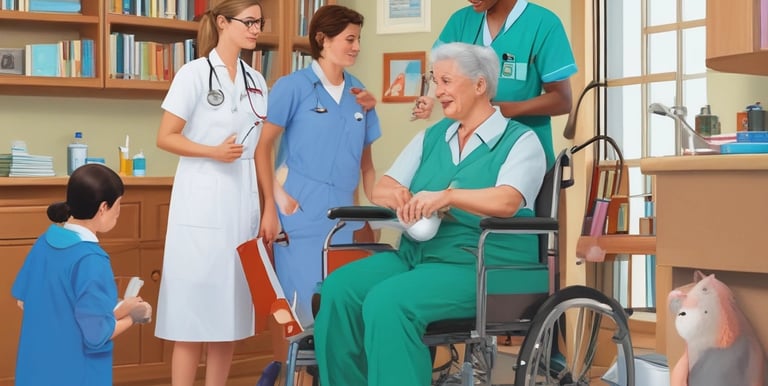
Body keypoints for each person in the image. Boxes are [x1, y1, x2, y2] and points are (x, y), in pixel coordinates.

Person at [313, 42, 547, 386]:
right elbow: (381, 189)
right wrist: (402, 196)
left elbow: (507, 201)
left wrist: (447, 196)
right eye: (436, 82)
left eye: (446, 82)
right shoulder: (432, 136)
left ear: (480, 85)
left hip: (480, 265)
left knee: (389, 301)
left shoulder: (521, 141)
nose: (438, 92)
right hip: (417, 257)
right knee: (339, 290)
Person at [153, 1, 268, 385]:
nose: (256, 29)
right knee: (191, 315)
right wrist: (212, 152)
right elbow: (165, 137)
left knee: (229, 315)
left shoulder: (256, 80)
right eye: (249, 22)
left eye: (259, 23)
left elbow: (259, 149)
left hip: (241, 205)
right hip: (200, 204)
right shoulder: (193, 74)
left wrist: (269, 206)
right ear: (222, 23)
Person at [255, 4, 381, 327]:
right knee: (297, 319)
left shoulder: (360, 96)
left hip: (344, 225)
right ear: (323, 39)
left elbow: (367, 167)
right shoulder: (292, 87)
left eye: (358, 40)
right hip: (297, 222)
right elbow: (262, 147)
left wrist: (378, 210)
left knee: (340, 319)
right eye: (350, 39)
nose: (356, 47)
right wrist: (270, 206)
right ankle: (291, 376)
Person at [12, 164, 152, 386]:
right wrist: (133, 316)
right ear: (103, 207)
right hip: (76, 373)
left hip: (36, 370)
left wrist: (117, 310)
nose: (118, 212)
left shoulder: (44, 243)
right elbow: (96, 336)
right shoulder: (91, 260)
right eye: (118, 205)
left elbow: (28, 303)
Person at [413, 0, 576, 167]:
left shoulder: (544, 24)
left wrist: (498, 111)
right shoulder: (460, 21)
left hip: (523, 155)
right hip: (467, 156)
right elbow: (439, 67)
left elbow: (562, 100)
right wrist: (430, 98)